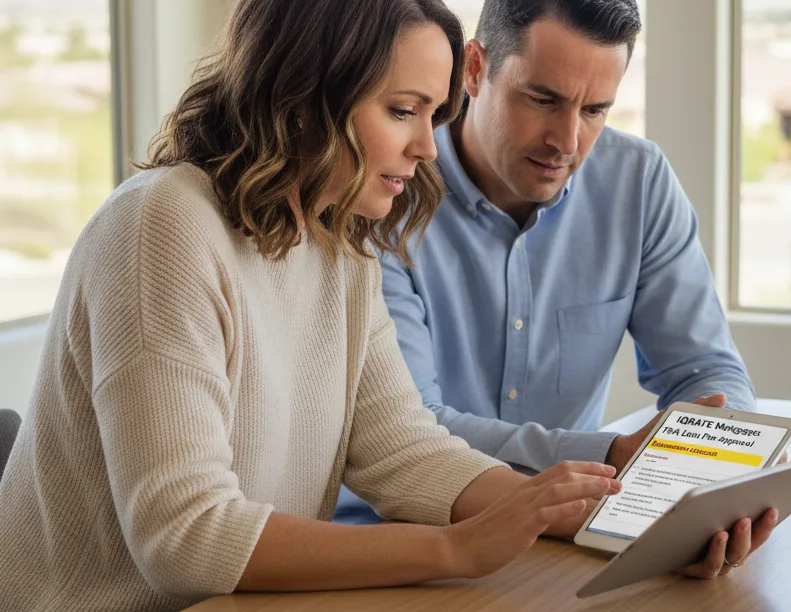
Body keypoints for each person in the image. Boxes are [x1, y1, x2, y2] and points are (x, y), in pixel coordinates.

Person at [0, 1, 625, 609]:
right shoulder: (160, 225)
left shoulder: (338, 243)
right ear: (305, 97)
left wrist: (582, 516)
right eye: (402, 110)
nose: (427, 148)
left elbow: (402, 450)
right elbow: (185, 537)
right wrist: (456, 550)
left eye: (431, 114)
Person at [334, 0, 780, 578]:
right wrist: (608, 456)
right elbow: (407, 428)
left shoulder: (637, 182)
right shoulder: (385, 188)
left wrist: (719, 475)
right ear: (473, 68)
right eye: (543, 100)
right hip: (392, 543)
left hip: (565, 541)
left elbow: (704, 370)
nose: (567, 141)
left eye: (595, 109)